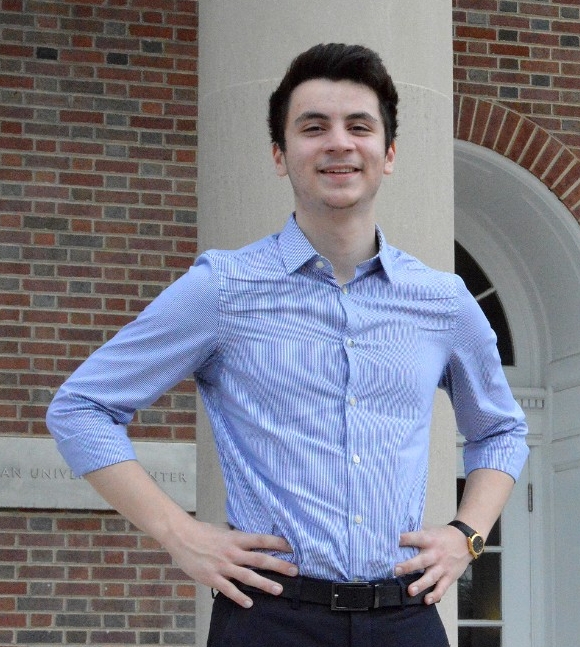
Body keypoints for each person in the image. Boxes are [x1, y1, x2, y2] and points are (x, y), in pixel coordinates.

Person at [46, 42, 529, 647]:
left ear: (389, 153)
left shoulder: (442, 301)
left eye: (359, 126)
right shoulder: (224, 288)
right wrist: (180, 534)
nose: (339, 143)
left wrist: (468, 534)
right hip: (271, 617)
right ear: (280, 155)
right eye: (313, 127)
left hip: (405, 616)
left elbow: (501, 431)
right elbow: (81, 408)